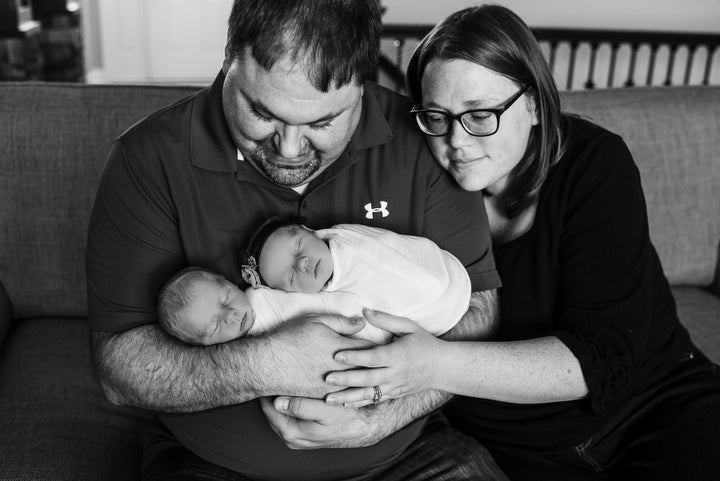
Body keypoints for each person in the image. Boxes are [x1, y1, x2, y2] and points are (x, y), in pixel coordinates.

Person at [85, 1, 507, 480]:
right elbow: (119, 367)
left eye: (321, 123)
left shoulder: (421, 138)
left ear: (362, 86)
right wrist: (264, 364)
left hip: (401, 452)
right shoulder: (148, 159)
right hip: (215, 463)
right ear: (228, 58)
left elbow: (479, 309)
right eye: (261, 113)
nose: (288, 150)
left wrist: (379, 415)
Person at [324, 4, 720, 480]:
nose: (458, 141)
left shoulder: (594, 164)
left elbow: (602, 358)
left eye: (480, 114)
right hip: (513, 448)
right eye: (438, 116)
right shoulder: (415, 178)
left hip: (651, 406)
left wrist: (433, 365)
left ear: (532, 103)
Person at [157, 220, 471, 346]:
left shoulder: (263, 297)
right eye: (214, 327)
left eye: (226, 299)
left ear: (230, 282)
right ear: (203, 347)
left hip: (430, 296)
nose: (230, 316)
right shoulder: (249, 347)